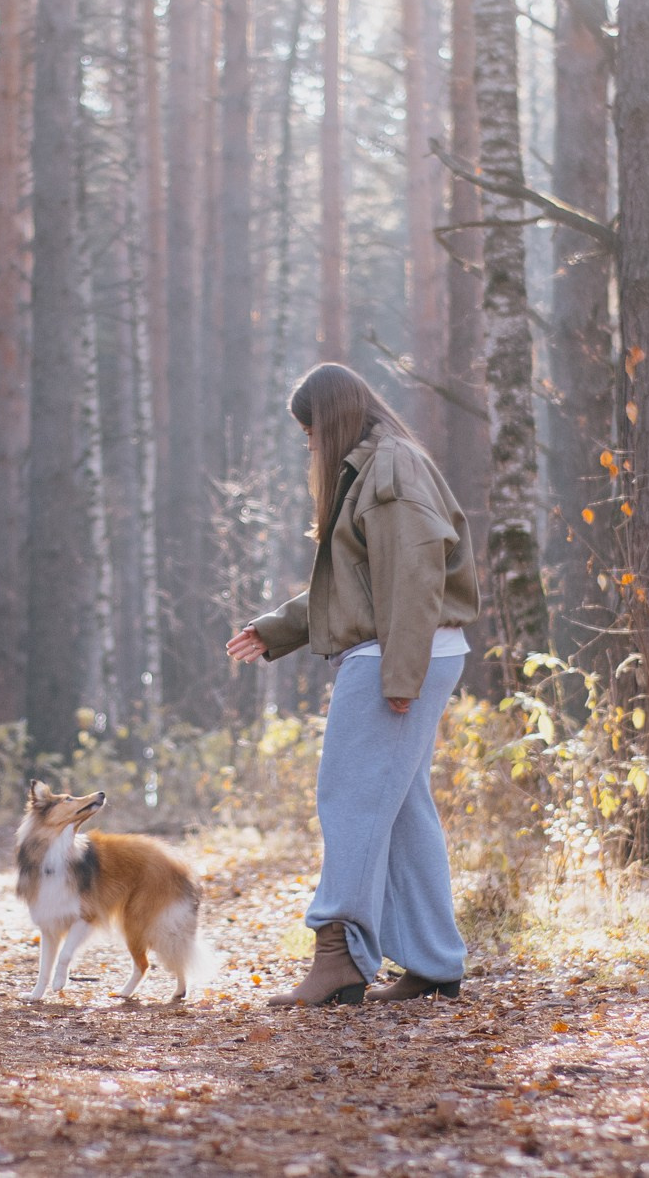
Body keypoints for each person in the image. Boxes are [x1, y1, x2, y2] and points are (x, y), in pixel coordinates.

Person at [227, 362, 480, 1005]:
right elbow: (355, 582)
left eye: (310, 431)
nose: (309, 445)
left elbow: (412, 578)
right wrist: (278, 629)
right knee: (400, 809)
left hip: (396, 653)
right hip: (404, 648)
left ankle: (337, 954)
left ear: (332, 419)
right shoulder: (376, 467)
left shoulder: (388, 471)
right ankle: (433, 961)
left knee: (350, 798)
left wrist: (400, 674)